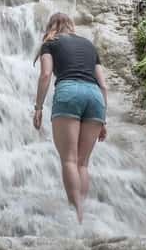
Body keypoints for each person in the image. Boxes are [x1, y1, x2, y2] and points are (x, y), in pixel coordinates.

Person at [34, 12, 108, 223]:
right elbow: (103, 84)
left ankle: (77, 216)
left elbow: (46, 75)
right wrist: (103, 118)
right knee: (83, 163)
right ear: (71, 25)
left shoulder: (50, 43)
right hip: (94, 96)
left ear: (51, 26)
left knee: (69, 159)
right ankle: (83, 213)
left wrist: (38, 108)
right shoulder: (89, 45)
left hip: (69, 92)